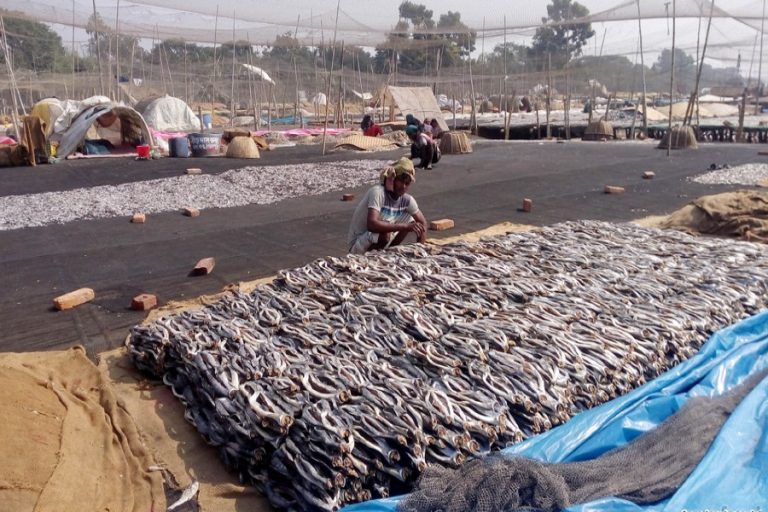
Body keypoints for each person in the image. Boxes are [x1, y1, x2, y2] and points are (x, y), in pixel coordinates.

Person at [347, 157, 427, 255]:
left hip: (380, 241)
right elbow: (372, 224)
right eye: (401, 181)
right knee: (386, 234)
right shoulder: (378, 192)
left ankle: (388, 251)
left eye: (407, 183)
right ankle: (370, 257)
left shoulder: (407, 200)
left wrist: (420, 251)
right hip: (358, 245)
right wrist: (405, 226)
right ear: (393, 179)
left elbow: (422, 223)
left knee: (413, 221)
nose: (403, 187)